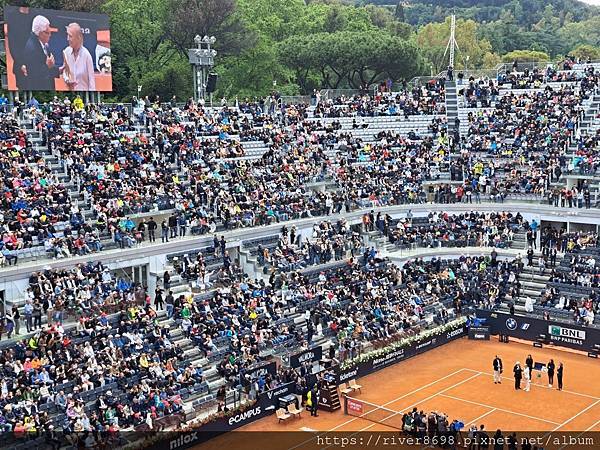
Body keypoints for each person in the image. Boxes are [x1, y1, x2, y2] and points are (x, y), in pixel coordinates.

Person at [21, 15, 60, 90]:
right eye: (47, 33)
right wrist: (47, 66)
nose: (50, 35)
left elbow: (48, 67)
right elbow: (34, 74)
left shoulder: (43, 44)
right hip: (39, 87)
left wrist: (59, 69)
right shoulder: (32, 48)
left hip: (48, 86)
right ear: (40, 33)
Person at [61, 23, 96, 91]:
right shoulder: (66, 51)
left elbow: (92, 81)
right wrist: (67, 80)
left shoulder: (86, 55)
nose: (67, 39)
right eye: (67, 35)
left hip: (84, 94)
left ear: (78, 37)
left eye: (70, 36)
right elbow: (65, 71)